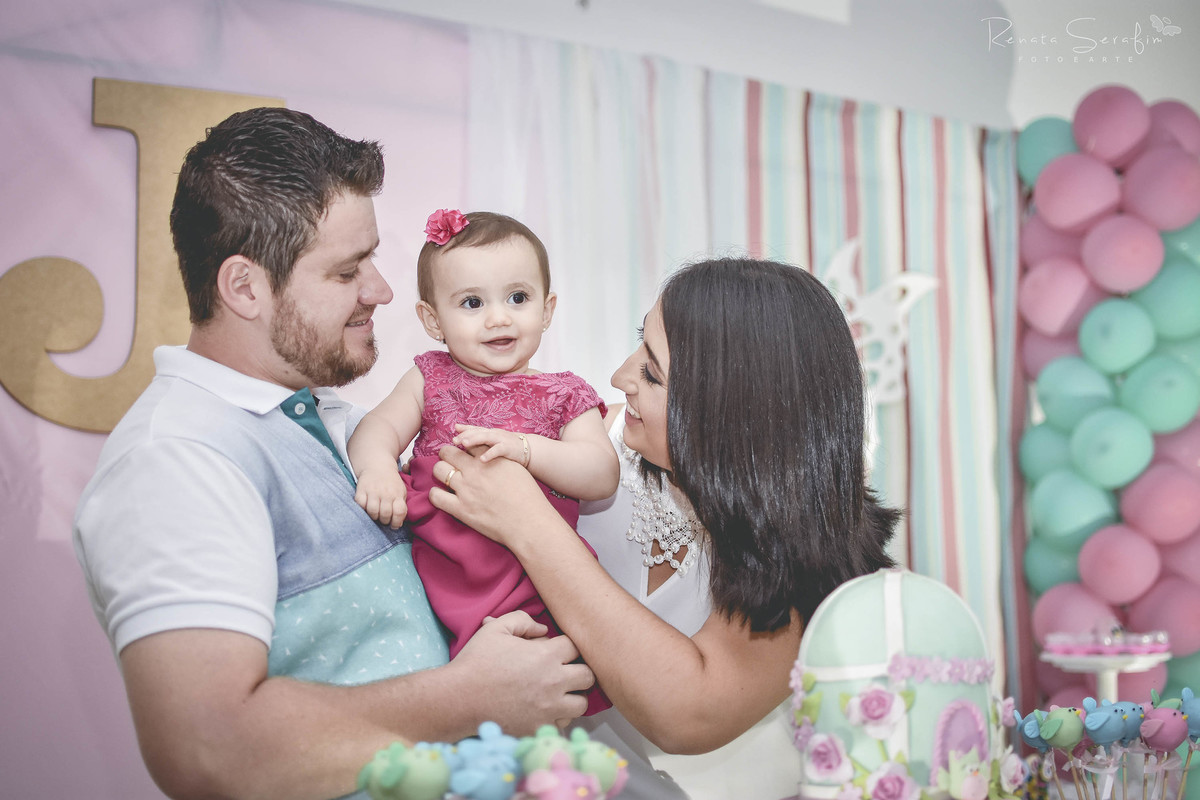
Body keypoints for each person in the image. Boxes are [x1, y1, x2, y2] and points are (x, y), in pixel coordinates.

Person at [71, 107, 592, 800]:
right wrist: (468, 696)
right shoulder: (176, 458)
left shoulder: (333, 420)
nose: (380, 290)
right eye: (349, 271)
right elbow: (205, 749)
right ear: (245, 288)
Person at [429, 257, 900, 799]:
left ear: (728, 413)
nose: (618, 377)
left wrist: (531, 526)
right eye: (640, 344)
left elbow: (688, 712)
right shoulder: (576, 450)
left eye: (652, 373)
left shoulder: (808, 552)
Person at [346, 209, 618, 713]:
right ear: (432, 320)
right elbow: (375, 429)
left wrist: (526, 450)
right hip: (444, 573)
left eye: (518, 298)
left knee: (544, 685)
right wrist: (379, 467)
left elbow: (602, 473)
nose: (498, 317)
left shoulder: (565, 394)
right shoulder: (431, 378)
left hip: (532, 579)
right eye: (472, 303)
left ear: (547, 308)